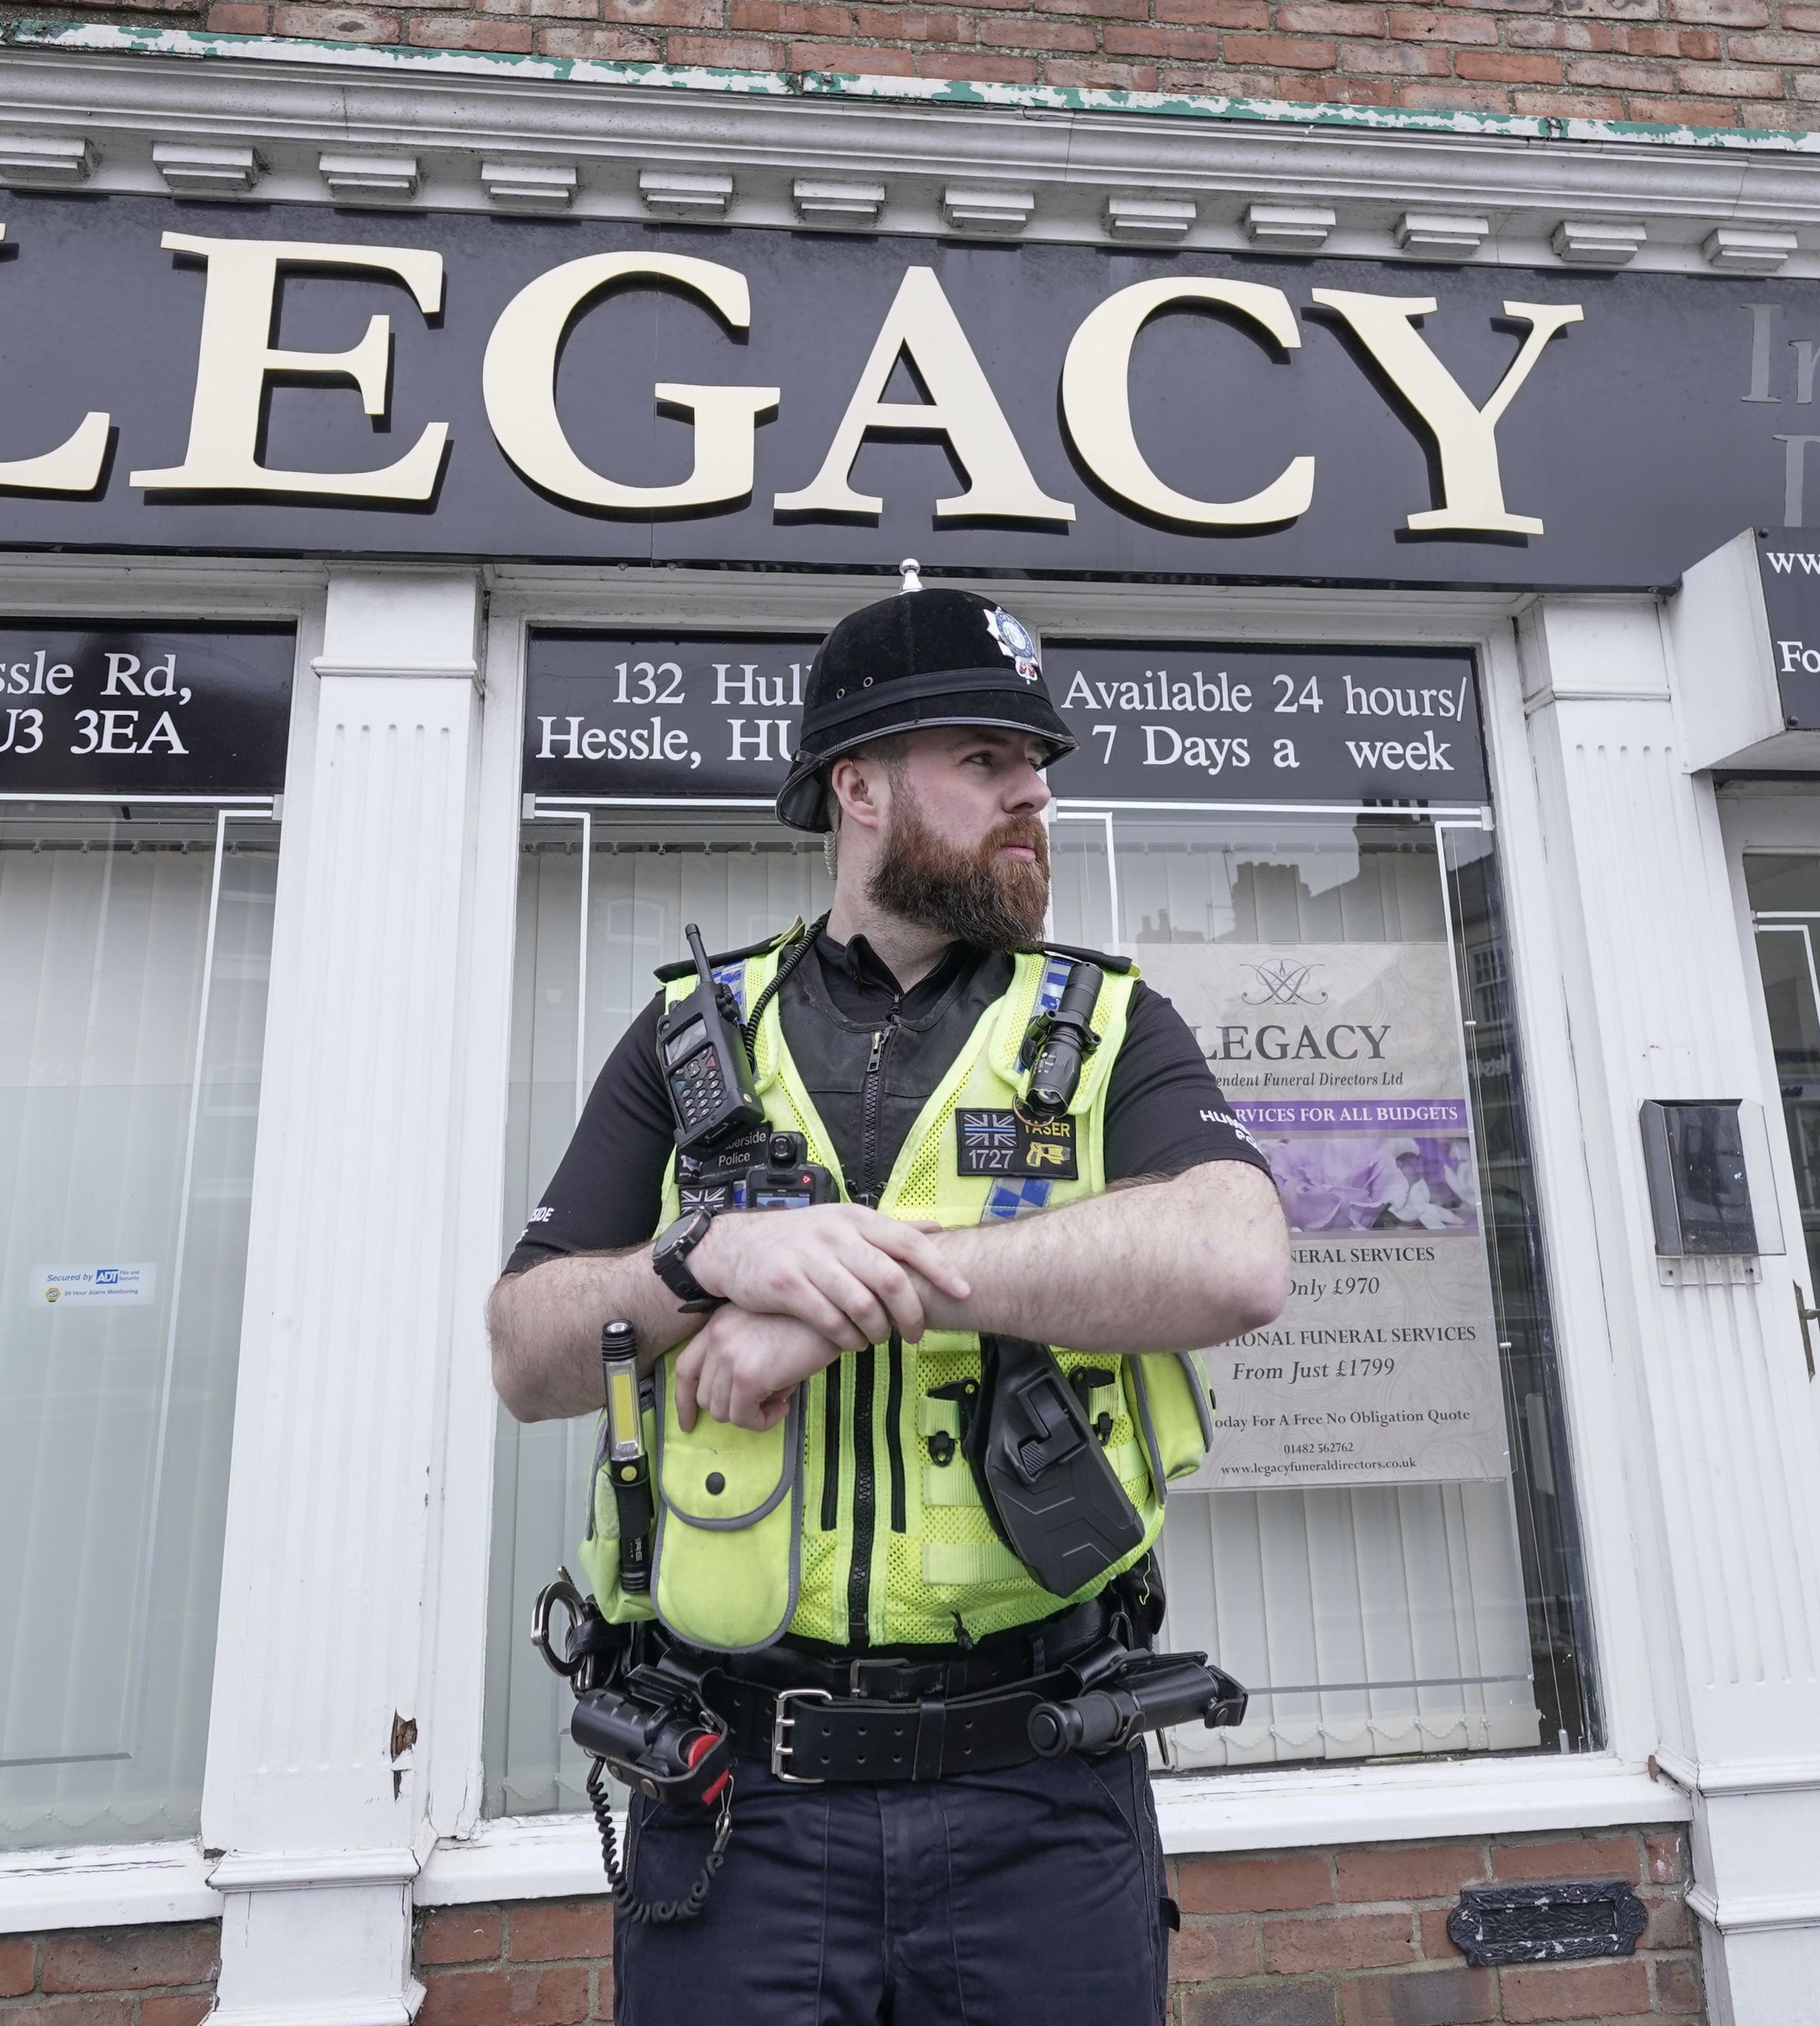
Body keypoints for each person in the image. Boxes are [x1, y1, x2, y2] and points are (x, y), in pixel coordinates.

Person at [487, 582, 1290, 2026]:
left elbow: (1236, 1256)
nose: (1032, 791)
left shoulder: (1109, 1024)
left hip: (1043, 1792)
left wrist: (857, 1290)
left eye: (1033, 763)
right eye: (984, 758)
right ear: (855, 786)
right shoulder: (689, 1032)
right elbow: (527, 1354)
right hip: (738, 1804)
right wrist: (699, 1262)